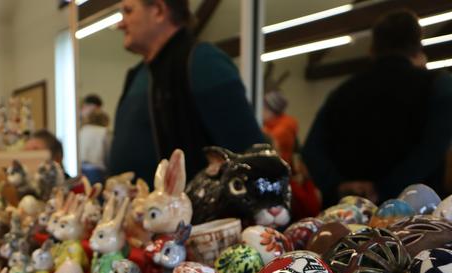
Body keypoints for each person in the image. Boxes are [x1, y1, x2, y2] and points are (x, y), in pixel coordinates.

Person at [303, 9, 452, 205]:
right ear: (418, 47)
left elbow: (311, 150)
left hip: (348, 217)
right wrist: (384, 189)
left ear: (372, 48)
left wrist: (338, 185)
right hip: (416, 220)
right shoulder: (438, 86)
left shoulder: (341, 92)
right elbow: (433, 149)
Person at [109, 0, 264, 186]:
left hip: (188, 212)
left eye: (128, 11)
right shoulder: (137, 75)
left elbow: (250, 157)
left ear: (158, 10)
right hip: (143, 211)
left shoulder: (204, 62)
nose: (120, 24)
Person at [263, 91, 321, 219]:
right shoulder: (272, 126)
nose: (261, 111)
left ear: (272, 109)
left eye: (264, 107)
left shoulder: (281, 130)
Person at [79, 110, 112, 184]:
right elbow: (108, 153)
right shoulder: (104, 132)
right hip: (97, 171)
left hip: (81, 169)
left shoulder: (82, 130)